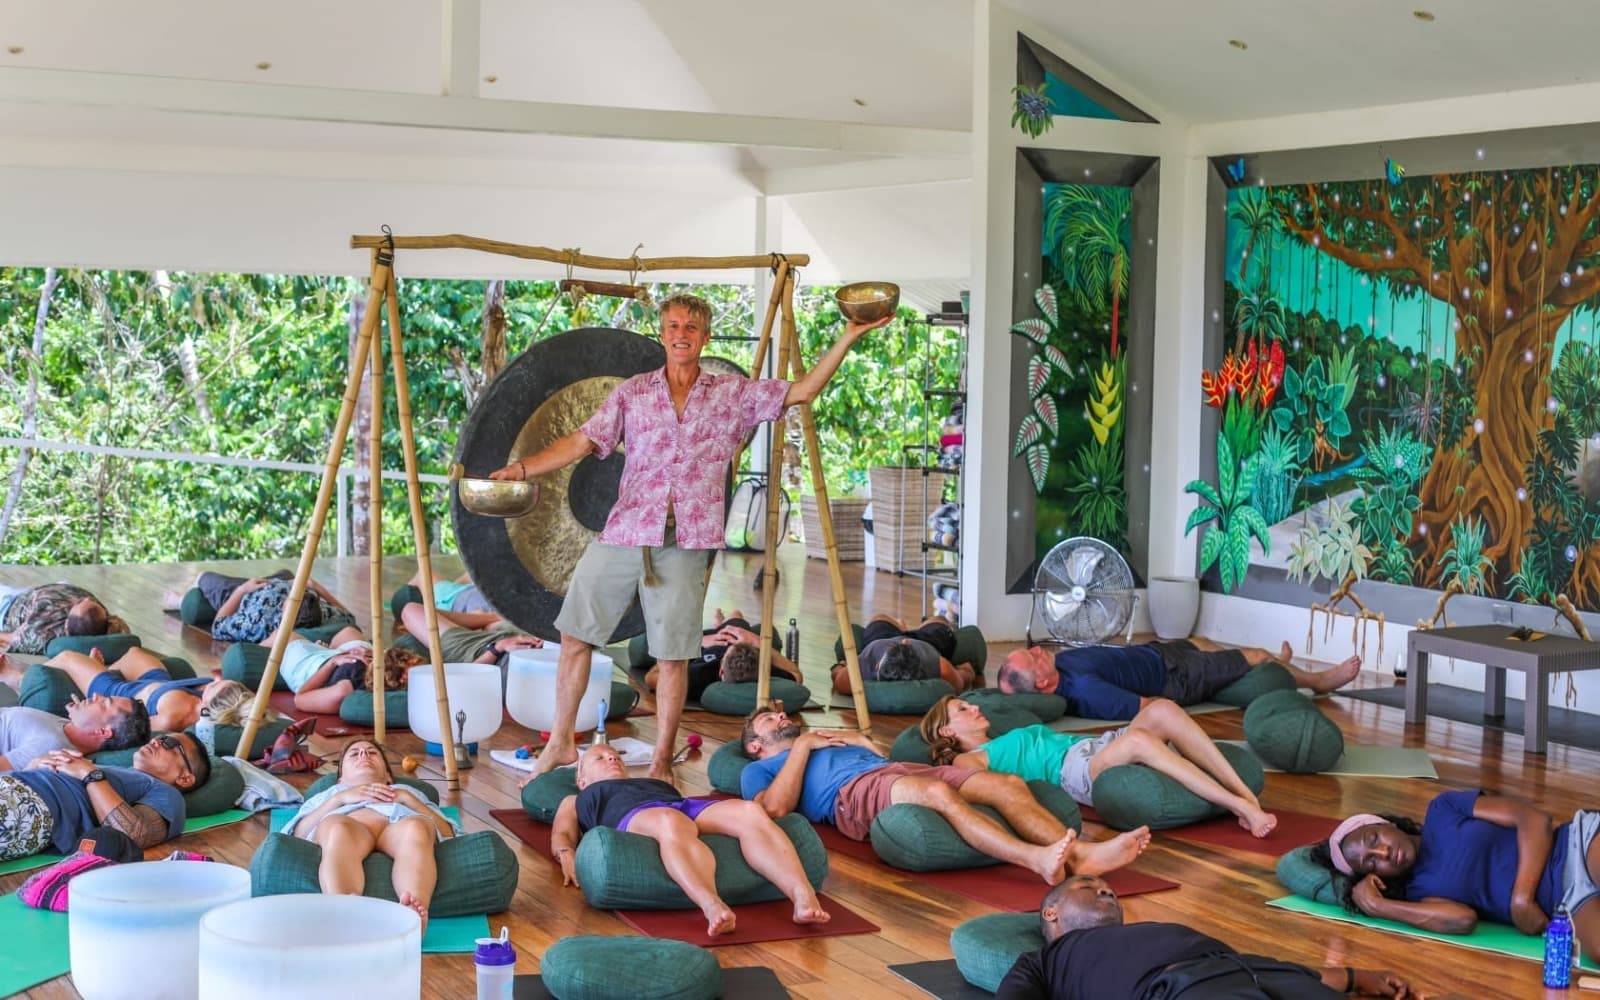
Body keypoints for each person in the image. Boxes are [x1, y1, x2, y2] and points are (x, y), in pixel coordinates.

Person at [491, 292, 891, 781]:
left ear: (704, 337)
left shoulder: (732, 394)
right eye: (674, 325)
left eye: (692, 327)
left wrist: (850, 334)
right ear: (663, 333)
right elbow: (581, 440)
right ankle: (558, 745)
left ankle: (661, 760)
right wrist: (522, 468)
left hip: (685, 541)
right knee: (575, 635)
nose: (681, 333)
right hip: (624, 530)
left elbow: (802, 391)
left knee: (673, 655)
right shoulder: (632, 393)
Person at [739, 708, 1150, 883]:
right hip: (852, 795)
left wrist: (849, 738)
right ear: (755, 744)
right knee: (937, 793)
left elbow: (876, 751)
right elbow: (775, 807)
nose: (781, 716)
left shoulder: (822, 737)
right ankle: (1037, 859)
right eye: (768, 720)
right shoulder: (758, 769)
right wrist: (805, 747)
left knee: (1006, 784)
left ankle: (1081, 856)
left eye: (780, 713)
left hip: (889, 771)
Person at [550, 745, 830, 936]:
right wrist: (566, 853)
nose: (612, 759)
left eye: (615, 756)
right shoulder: (579, 797)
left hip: (682, 806)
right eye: (600, 758)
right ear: (582, 778)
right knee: (672, 822)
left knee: (750, 811)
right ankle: (711, 904)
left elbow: (683, 803)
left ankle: (801, 895)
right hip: (635, 816)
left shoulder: (650, 781)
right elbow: (561, 832)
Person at [995, 874, 1419, 999]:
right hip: (1179, 991)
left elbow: (1269, 966)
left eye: (1108, 885)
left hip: (1249, 974)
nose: (1107, 888)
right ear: (1051, 911)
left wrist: (1358, 977)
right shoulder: (1045, 961)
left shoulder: (1151, 931)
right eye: (1088, 886)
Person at [919, 694, 1277, 837]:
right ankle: (1238, 805)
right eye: (963, 710)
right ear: (947, 730)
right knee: (1139, 741)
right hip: (1073, 771)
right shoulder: (968, 759)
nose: (975, 708)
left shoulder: (1000, 738)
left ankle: (1246, 796)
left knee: (1164, 709)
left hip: (1094, 746)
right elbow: (993, 791)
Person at [1314, 789, 1600, 961]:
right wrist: (1379, 906)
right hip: (1569, 903)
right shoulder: (1420, 893)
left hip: (1577, 846)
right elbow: (1462, 920)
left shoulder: (1443, 809)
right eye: (1371, 864)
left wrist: (1522, 896)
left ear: (1386, 824)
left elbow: (1535, 820)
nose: (1383, 855)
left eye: (1374, 840)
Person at [281, 738, 458, 933]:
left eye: (372, 752)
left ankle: (413, 914)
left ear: (388, 775)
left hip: (396, 826)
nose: (364, 755)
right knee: (338, 828)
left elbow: (447, 832)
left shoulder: (408, 791)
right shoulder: (331, 793)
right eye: (355, 754)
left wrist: (408, 799)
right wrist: (339, 799)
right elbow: (297, 834)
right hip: (351, 826)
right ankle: (344, 912)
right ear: (341, 778)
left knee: (417, 827)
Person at [996, 637, 1361, 720]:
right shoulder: (1088, 691)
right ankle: (1317, 680)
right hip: (1175, 678)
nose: (1040, 650)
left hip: (1156, 654)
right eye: (1034, 657)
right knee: (1257, 657)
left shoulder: (1061, 667)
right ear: (1043, 685)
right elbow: (1151, 708)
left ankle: (1274, 665)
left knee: (1203, 642)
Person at [0, 732, 207, 860]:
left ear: (185, 778)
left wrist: (90, 774)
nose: (156, 741)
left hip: (33, 805)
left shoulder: (167, 793)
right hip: (14, 786)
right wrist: (34, 766)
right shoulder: (122, 772)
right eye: (160, 737)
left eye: (170, 743)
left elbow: (134, 834)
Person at [645, 608, 800, 702]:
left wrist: (695, 644)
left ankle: (718, 624)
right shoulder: (763, 668)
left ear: (721, 671)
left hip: (703, 641)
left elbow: (651, 677)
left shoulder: (698, 676)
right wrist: (758, 642)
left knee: (735, 615)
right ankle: (720, 624)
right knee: (736, 615)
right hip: (736, 635)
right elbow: (796, 676)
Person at [0, 689, 151, 770]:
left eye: (104, 703)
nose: (96, 695)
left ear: (103, 732)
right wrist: (79, 712)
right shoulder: (69, 728)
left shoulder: (50, 747)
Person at [830, 612, 975, 694]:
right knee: (939, 619)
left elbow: (836, 674)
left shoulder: (861, 667)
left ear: (877, 666)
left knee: (879, 617)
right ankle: (912, 626)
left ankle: (900, 625)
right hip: (930, 642)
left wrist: (841, 665)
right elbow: (965, 675)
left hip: (879, 638)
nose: (903, 641)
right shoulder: (937, 665)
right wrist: (965, 668)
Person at [210, 575, 356, 644]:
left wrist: (242, 590)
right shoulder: (326, 612)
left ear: (282, 609)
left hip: (247, 590)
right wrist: (312, 585)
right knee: (285, 572)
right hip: (283, 580)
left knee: (207, 579)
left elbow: (217, 625)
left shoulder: (257, 623)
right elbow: (349, 616)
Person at [0, 582, 127, 655]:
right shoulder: (102, 617)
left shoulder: (41, 634)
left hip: (6, 608)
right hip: (28, 593)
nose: (87, 599)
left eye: (79, 604)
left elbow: (5, 640)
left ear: (66, 625)